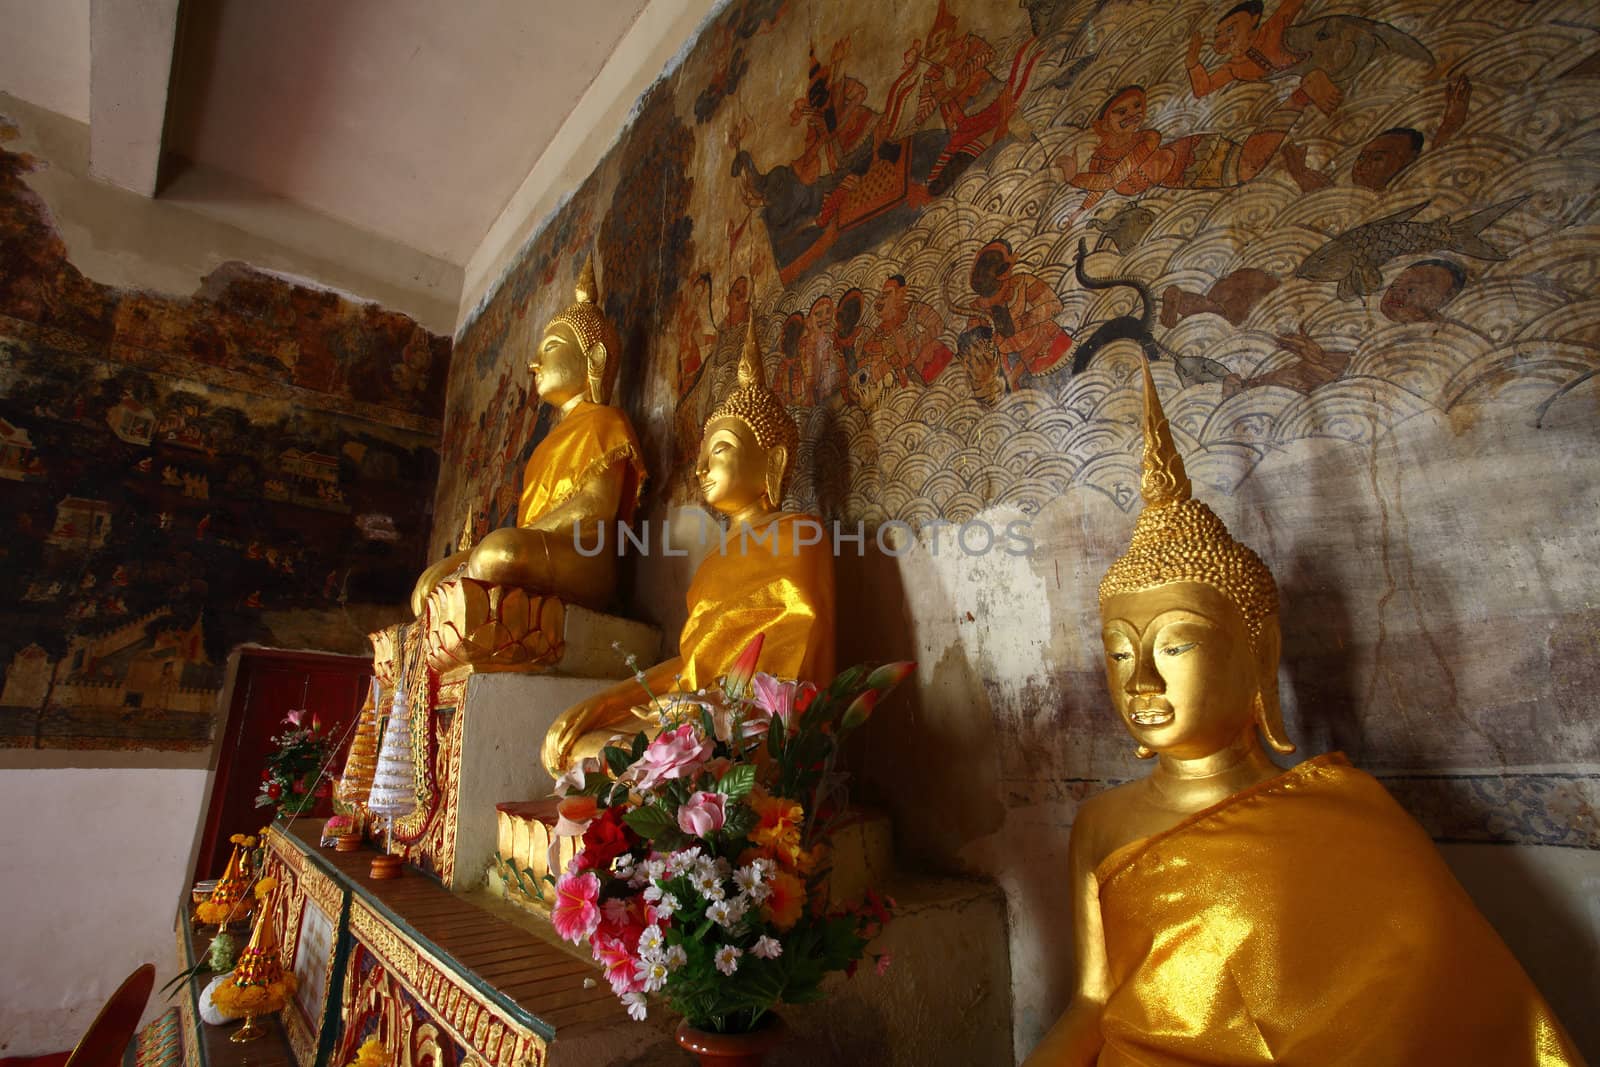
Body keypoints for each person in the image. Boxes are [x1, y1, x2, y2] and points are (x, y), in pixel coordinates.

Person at [1023, 362, 1581, 1065]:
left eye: (1177, 642)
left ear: (1260, 651)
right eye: (1118, 650)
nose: (1141, 676)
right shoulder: (1102, 825)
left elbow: (1433, 1007)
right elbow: (1094, 1004)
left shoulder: (1350, 816)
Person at [542, 314, 834, 775]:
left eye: (719, 450)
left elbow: (793, 672)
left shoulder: (800, 536)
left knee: (622, 759)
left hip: (744, 730)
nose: (700, 468)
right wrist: (604, 701)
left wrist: (704, 715)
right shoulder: (714, 560)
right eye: (700, 456)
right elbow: (692, 664)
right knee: (577, 745)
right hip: (690, 715)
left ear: (772, 462)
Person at [409, 257, 645, 615]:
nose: (534, 363)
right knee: (427, 584)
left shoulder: (606, 420)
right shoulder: (543, 447)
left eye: (549, 348)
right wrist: (464, 556)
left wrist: (489, 548)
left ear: (593, 358)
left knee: (495, 554)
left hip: (582, 559)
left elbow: (596, 506)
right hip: (533, 548)